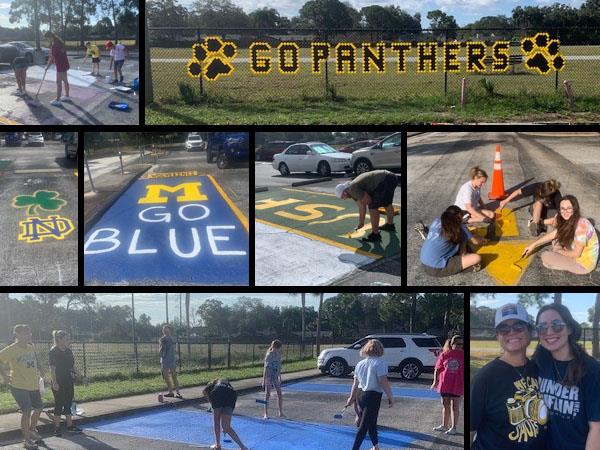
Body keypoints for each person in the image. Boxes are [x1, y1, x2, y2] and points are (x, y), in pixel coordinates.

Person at [470, 303, 548, 449]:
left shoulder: (540, 370)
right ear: (497, 336)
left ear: (529, 332)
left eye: (519, 327)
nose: (511, 332)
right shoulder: (484, 378)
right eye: (504, 329)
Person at [533, 303, 600, 450]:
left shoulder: (591, 370)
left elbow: (597, 428)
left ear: (569, 329)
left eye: (556, 325)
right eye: (542, 327)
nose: (549, 332)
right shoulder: (540, 360)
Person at [522, 195, 598, 274]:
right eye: (562, 208)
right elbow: (555, 233)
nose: (565, 212)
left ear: (574, 209)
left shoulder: (581, 227)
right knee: (555, 233)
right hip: (573, 248)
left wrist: (560, 251)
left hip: (582, 264)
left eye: (568, 208)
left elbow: (576, 254)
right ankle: (559, 256)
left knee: (545, 256)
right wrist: (533, 245)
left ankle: (560, 258)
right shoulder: (572, 218)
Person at [0, 325, 44, 450]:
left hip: (33, 384)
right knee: (26, 411)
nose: (29, 335)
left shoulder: (31, 347)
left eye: (29, 333)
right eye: (25, 333)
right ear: (17, 335)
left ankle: (31, 430)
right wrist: (4, 375)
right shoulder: (11, 349)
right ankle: (27, 440)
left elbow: (35, 362)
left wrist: (41, 372)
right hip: (18, 385)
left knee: (39, 408)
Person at [346, 339, 394, 450]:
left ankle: (375, 446)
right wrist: (390, 396)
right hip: (372, 396)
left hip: (360, 395)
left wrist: (351, 398)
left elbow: (355, 384)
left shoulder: (360, 364)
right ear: (380, 350)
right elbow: (383, 381)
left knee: (371, 422)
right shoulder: (380, 362)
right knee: (364, 426)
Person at [420, 205, 486, 277]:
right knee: (477, 258)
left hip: (424, 261)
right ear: (459, 216)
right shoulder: (460, 227)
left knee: (454, 238)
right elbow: (475, 241)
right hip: (436, 268)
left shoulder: (436, 221)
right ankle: (465, 265)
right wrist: (482, 239)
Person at [335, 170, 398, 243]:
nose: (344, 199)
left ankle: (375, 234)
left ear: (344, 193)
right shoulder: (351, 188)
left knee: (373, 207)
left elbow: (368, 201)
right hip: (390, 177)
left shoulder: (352, 189)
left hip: (385, 180)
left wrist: (368, 206)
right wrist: (361, 223)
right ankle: (390, 225)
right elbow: (361, 206)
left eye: (343, 197)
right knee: (387, 204)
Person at [48, 330, 82, 436]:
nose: (69, 341)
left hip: (68, 380)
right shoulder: (53, 351)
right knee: (59, 404)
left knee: (68, 403)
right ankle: (57, 428)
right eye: (67, 339)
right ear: (59, 339)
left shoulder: (68, 351)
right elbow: (52, 368)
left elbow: (71, 365)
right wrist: (54, 382)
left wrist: (79, 374)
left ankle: (69, 426)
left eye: (69, 339)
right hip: (58, 381)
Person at [203, 379, 248, 450]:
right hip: (231, 395)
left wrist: (211, 403)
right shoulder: (222, 381)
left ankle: (217, 445)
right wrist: (224, 426)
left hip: (218, 394)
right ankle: (243, 447)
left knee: (216, 421)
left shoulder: (213, 390)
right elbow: (224, 395)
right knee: (226, 427)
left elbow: (205, 391)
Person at [431, 335, 464, 435]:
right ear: (452, 344)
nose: (460, 346)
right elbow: (437, 368)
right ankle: (444, 425)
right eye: (458, 344)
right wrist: (435, 381)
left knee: (455, 406)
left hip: (457, 384)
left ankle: (454, 428)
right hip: (445, 383)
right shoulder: (445, 354)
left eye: (462, 344)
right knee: (445, 405)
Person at [44, 31, 71, 107]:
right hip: (64, 63)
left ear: (50, 37)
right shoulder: (59, 42)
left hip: (60, 64)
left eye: (47, 39)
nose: (47, 40)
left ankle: (58, 100)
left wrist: (47, 67)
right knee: (65, 80)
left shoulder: (55, 45)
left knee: (58, 82)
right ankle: (67, 96)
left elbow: (51, 58)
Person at [262, 339, 284, 419]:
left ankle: (280, 412)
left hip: (275, 376)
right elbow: (265, 368)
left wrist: (279, 377)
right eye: (277, 348)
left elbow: (279, 367)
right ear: (274, 347)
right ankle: (266, 413)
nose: (278, 350)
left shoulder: (278, 355)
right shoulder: (269, 355)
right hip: (269, 376)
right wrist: (264, 380)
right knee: (267, 395)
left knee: (280, 394)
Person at [159, 325, 182, 399]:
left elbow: (174, 347)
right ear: (163, 331)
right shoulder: (162, 339)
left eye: (167, 329)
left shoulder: (173, 338)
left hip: (172, 359)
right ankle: (170, 392)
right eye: (164, 330)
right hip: (164, 359)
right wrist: (162, 345)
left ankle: (178, 392)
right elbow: (160, 350)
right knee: (165, 376)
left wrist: (177, 356)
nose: (165, 331)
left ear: (170, 330)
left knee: (174, 375)